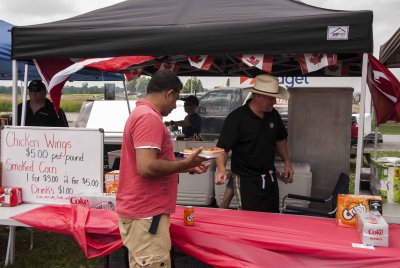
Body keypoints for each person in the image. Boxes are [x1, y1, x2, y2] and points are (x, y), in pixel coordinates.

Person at [116, 70, 209, 268]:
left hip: (144, 214)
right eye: (175, 99)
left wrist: (187, 167)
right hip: (147, 215)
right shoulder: (148, 118)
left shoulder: (142, 114)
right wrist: (185, 164)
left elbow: (152, 163)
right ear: (169, 93)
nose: (175, 105)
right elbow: (147, 167)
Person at [215, 74, 294, 213]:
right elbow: (222, 148)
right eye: (271, 97)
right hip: (246, 180)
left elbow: (280, 139)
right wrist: (221, 169)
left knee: (272, 217)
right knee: (250, 219)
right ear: (258, 96)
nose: (274, 101)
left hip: (270, 178)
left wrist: (287, 162)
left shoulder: (273, 115)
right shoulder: (237, 118)